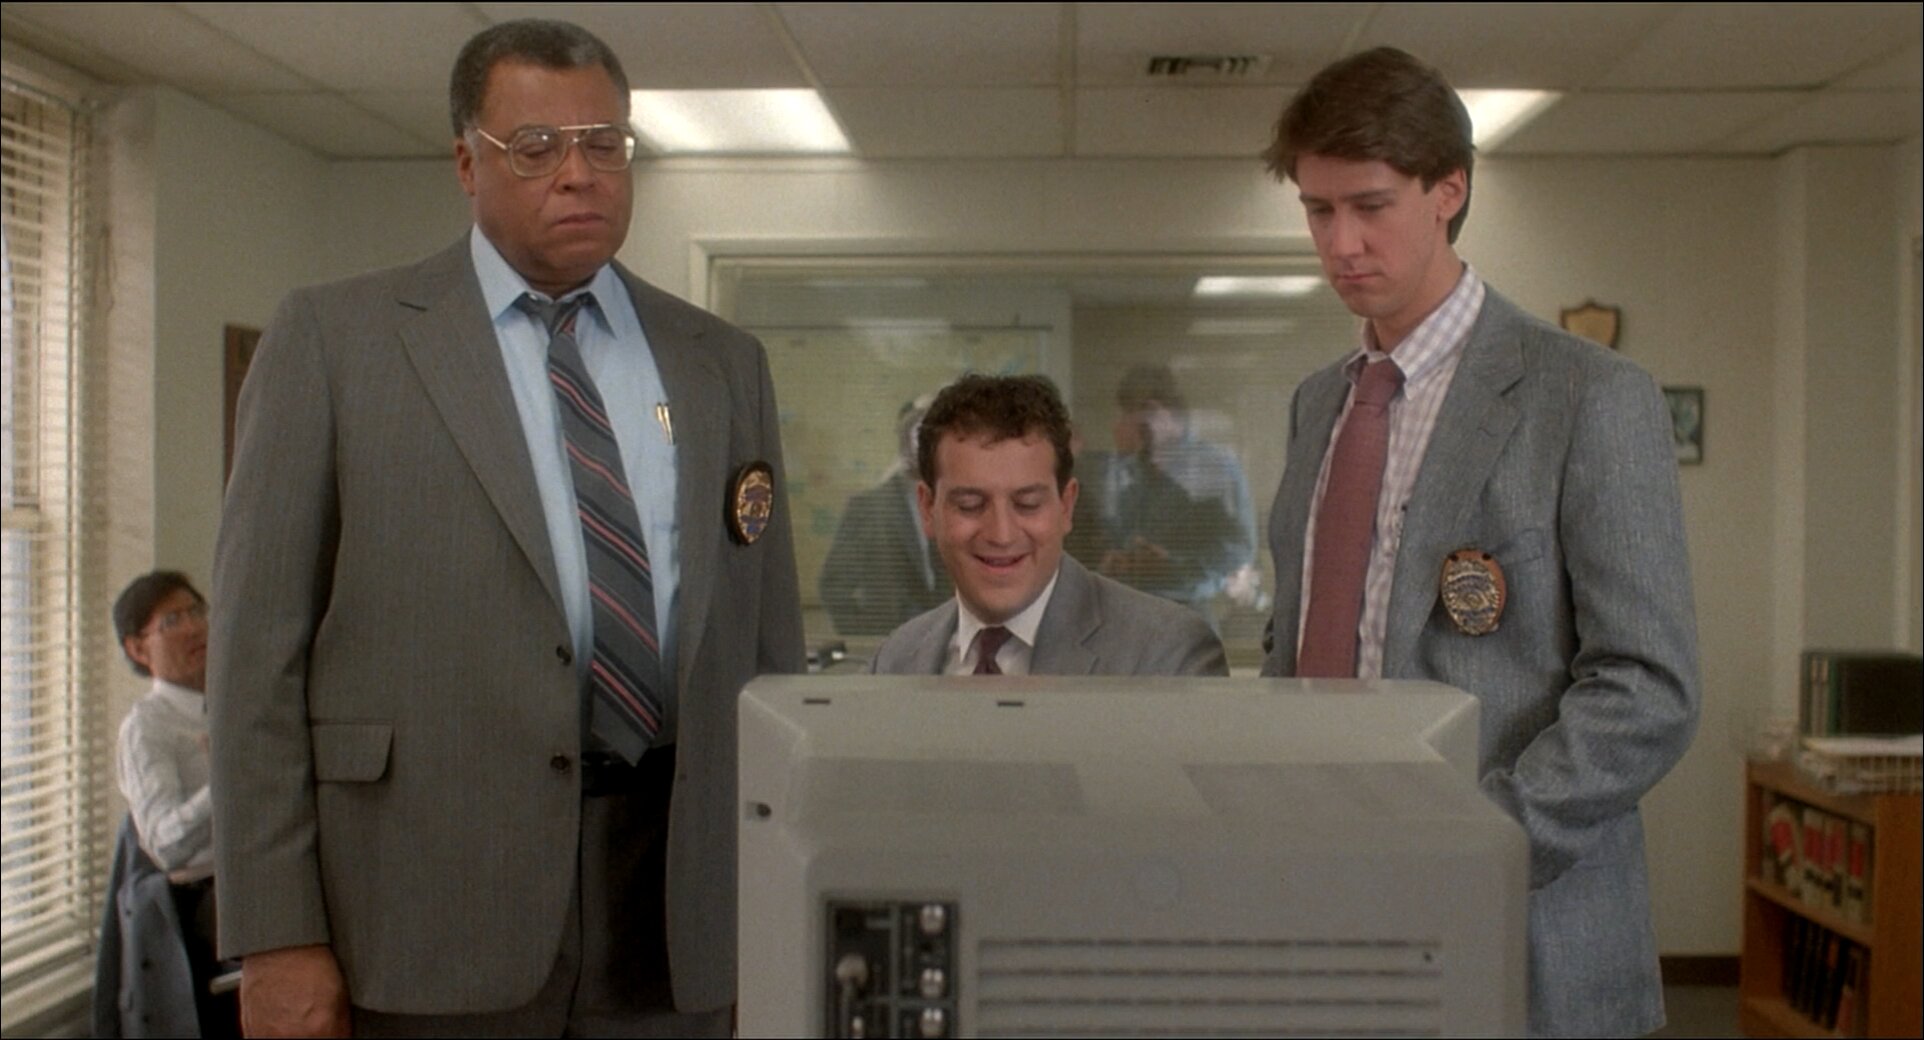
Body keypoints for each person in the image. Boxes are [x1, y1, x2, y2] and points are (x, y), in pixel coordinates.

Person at [208, 19, 802, 1038]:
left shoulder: (719, 361)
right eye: (536, 147)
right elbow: (255, 660)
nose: (579, 174)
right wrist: (274, 932)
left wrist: (778, 900)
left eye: (604, 143)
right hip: (422, 904)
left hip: (674, 906)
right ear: (466, 163)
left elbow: (766, 645)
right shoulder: (338, 342)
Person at [1258, 47, 1699, 1036]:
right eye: (1318, 210)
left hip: (1521, 922)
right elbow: (1301, 637)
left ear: (1448, 190)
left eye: (1370, 206)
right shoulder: (1318, 404)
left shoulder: (1586, 396)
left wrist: (1476, 838)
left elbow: (1648, 687)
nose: (1341, 243)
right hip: (1327, 905)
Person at [870, 374, 1227, 677]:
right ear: (928, 509)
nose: (1001, 534)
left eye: (1027, 504)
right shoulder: (894, 661)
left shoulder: (1168, 655)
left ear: (1066, 506)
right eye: (970, 505)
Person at [110, 570, 235, 1037]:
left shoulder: (231, 702)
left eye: (196, 611)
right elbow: (165, 843)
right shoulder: (147, 727)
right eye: (171, 621)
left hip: (256, 886)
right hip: (202, 911)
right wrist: (231, 779)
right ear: (138, 649)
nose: (194, 627)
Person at [1097, 364, 1258, 625]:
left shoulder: (1212, 467)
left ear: (1159, 411)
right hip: (1129, 613)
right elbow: (1115, 533)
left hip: (1188, 616)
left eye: (1133, 413)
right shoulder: (1128, 469)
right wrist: (1118, 559)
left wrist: (1172, 566)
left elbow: (1237, 551)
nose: (1125, 423)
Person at [819, 394, 951, 635]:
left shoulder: (953, 506)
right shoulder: (868, 508)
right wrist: (866, 635)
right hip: (887, 642)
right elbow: (834, 586)